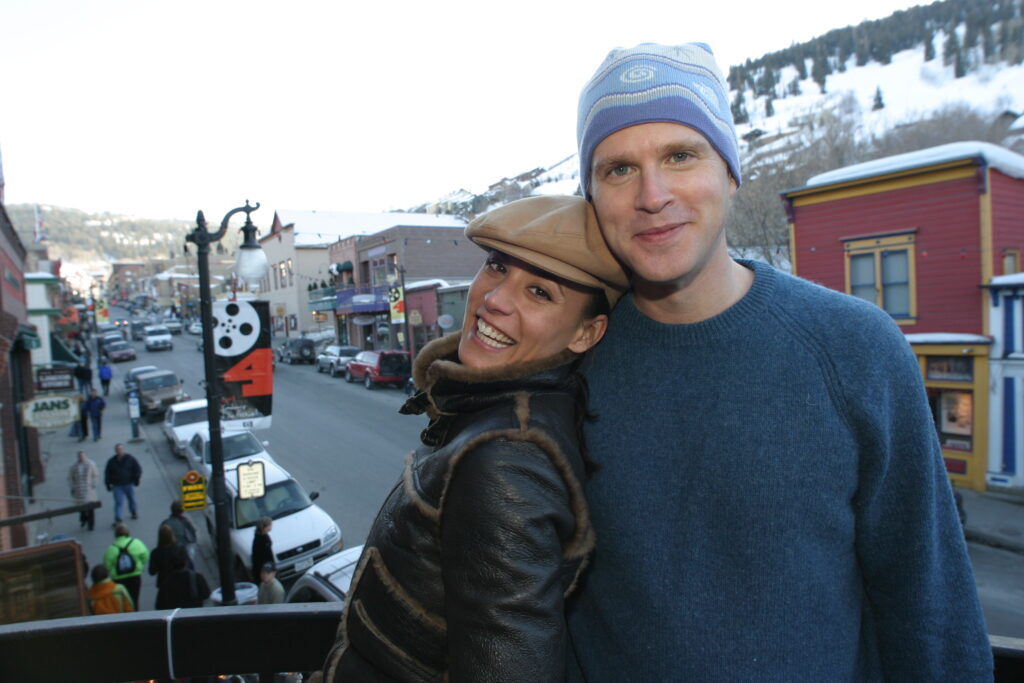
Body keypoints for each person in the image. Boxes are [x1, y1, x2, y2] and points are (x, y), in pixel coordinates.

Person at [565, 42, 992, 680]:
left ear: (730, 172)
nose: (652, 195)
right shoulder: (570, 361)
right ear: (592, 195)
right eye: (618, 169)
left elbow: (928, 605)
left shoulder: (857, 349)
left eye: (681, 156)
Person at [317, 195, 627, 681]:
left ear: (587, 332)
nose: (496, 299)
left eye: (540, 293)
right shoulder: (509, 412)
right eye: (497, 267)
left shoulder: (503, 460)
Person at [103, 523, 149, 610]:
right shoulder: (136, 543)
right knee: (134, 599)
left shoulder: (111, 549)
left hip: (118, 579)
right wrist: (139, 565)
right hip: (134, 576)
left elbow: (107, 565)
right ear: (128, 533)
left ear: (116, 535)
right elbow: (145, 557)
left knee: (121, 602)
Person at [155, 545, 210, 609]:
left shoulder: (166, 582)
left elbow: (159, 606)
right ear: (186, 561)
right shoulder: (197, 577)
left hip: (175, 616)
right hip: (194, 614)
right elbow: (206, 595)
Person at [149, 524, 186, 607]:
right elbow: (184, 564)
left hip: (164, 583)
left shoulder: (155, 552)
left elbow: (152, 571)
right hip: (179, 581)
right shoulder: (179, 548)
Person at [104, 443, 142, 524]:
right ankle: (118, 518)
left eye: (120, 449)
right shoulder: (111, 461)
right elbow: (107, 473)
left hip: (129, 483)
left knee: (132, 499)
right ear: (115, 451)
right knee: (119, 502)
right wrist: (108, 483)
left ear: (123, 450)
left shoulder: (130, 459)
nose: (119, 451)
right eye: (118, 449)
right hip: (117, 485)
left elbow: (137, 469)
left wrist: (137, 478)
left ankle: (134, 512)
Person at [67, 451, 99, 531]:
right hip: (79, 490)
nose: (81, 458)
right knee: (81, 507)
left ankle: (91, 524)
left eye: (83, 456)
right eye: (80, 456)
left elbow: (95, 475)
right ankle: (83, 518)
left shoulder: (91, 464)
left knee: (91, 507)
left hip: (88, 490)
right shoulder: (74, 466)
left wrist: (93, 484)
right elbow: (70, 478)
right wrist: (72, 487)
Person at [160, 499, 198, 565]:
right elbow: (192, 538)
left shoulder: (165, 523)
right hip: (182, 555)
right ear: (182, 511)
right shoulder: (184, 522)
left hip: (168, 557)